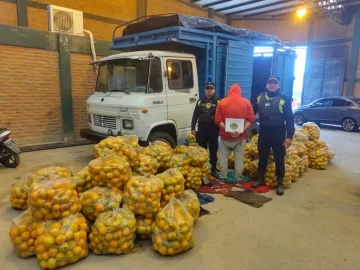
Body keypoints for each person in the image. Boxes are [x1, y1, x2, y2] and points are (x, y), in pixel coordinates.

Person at [251, 76, 295, 196]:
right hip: (264, 132)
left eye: (274, 83)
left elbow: (290, 118)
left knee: (279, 159)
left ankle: (279, 183)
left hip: (278, 133)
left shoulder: (283, 99)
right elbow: (250, 112)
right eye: (269, 83)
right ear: (266, 85)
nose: (271, 85)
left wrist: (290, 136)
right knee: (262, 158)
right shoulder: (260, 97)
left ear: (278, 85)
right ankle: (260, 179)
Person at [215, 83, 255, 183]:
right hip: (240, 137)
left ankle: (222, 178)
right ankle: (239, 179)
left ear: (229, 91)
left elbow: (217, 120)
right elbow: (250, 119)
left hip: (225, 136)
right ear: (240, 91)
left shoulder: (221, 102)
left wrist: (228, 130)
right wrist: (241, 130)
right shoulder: (246, 103)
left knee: (223, 157)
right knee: (239, 159)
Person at [191, 82, 219, 176]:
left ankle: (213, 169)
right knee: (202, 151)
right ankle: (203, 170)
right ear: (205, 90)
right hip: (202, 129)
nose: (209, 90)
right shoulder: (200, 101)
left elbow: (221, 116)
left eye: (211, 88)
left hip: (213, 130)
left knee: (213, 151)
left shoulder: (218, 101)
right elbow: (195, 115)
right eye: (207, 88)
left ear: (214, 90)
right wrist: (192, 127)